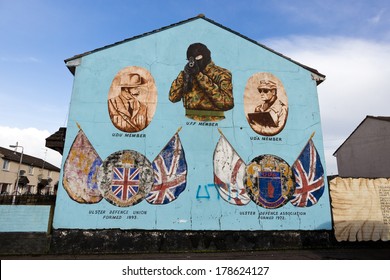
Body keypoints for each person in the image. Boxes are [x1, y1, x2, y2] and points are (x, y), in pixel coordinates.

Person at [169, 43, 234, 122]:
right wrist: (183, 76)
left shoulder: (221, 74)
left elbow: (227, 103)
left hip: (214, 121)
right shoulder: (186, 74)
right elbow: (173, 98)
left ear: (206, 56)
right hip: (189, 120)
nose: (194, 61)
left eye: (198, 57)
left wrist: (199, 76)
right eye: (190, 59)